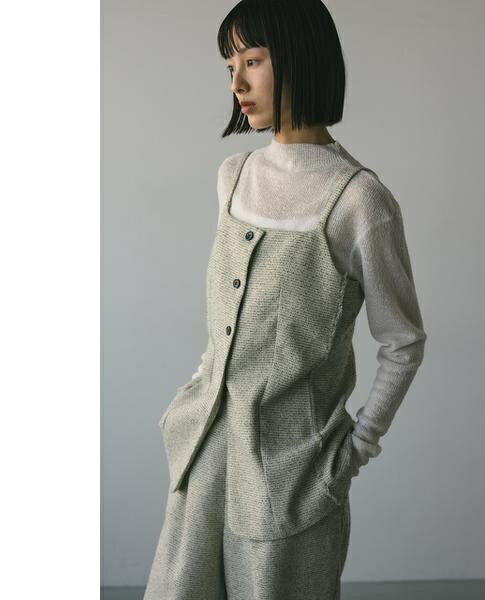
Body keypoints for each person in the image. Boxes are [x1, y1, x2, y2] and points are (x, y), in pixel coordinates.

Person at [143, 1, 427, 598]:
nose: (237, 83)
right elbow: (225, 327)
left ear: (299, 57)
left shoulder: (360, 201)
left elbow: (402, 342)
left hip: (292, 482)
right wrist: (194, 393)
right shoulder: (234, 176)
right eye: (230, 66)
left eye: (252, 60)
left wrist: (355, 449)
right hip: (202, 460)